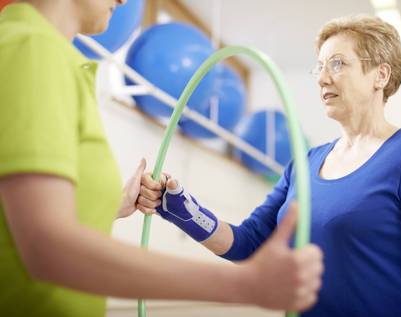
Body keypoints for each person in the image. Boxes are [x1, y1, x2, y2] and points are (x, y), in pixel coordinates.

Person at [140, 15, 401, 317]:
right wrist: (183, 210)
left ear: (381, 75)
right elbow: (247, 243)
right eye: (319, 67)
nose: (321, 78)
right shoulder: (304, 164)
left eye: (337, 64)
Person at [0, 1, 324, 316]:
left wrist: (116, 205)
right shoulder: (33, 50)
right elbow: (48, 248)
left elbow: (24, 224)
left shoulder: (52, 58)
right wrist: (245, 284)